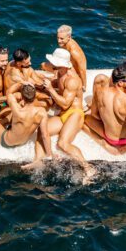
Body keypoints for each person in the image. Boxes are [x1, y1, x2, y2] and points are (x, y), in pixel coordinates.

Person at [39, 48, 95, 182]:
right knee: (42, 129)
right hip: (64, 114)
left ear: (62, 65)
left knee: (63, 144)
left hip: (75, 113)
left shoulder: (72, 80)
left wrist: (51, 90)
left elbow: (64, 104)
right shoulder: (60, 72)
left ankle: (88, 168)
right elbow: (57, 83)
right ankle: (47, 157)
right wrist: (41, 85)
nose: (51, 64)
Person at [0, 83, 53, 167]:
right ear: (34, 97)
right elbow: (45, 135)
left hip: (8, 141)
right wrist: (49, 155)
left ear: (22, 97)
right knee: (11, 116)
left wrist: (22, 83)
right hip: (23, 140)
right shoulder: (41, 112)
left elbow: (9, 93)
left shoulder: (17, 109)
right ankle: (6, 123)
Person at [83, 65, 126, 155]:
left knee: (84, 118)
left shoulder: (99, 92)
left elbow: (94, 115)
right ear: (120, 83)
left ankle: (103, 143)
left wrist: (107, 118)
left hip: (109, 138)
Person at [51, 25, 87, 91]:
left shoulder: (74, 52)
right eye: (58, 38)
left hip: (74, 73)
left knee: (53, 82)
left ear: (69, 37)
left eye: (61, 38)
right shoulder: (65, 43)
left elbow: (82, 70)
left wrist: (84, 86)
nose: (59, 41)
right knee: (43, 65)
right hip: (67, 66)